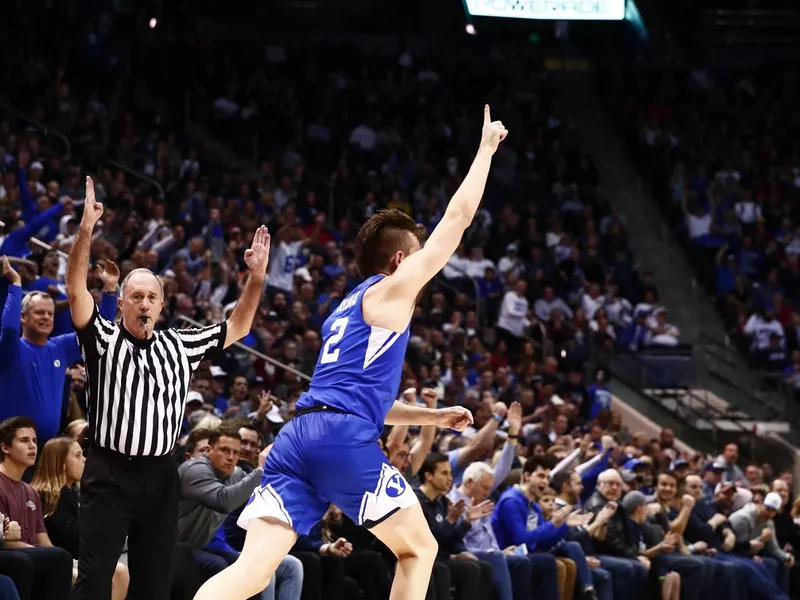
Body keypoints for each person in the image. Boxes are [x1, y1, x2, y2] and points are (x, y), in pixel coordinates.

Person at [195, 106, 508, 600]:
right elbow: (460, 218)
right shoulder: (391, 291)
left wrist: (431, 416)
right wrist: (486, 148)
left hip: (299, 437)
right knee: (419, 550)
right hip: (339, 438)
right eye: (420, 252)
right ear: (402, 260)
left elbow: (366, 399)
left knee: (251, 573)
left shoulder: (346, 308)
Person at [65, 176, 273, 600]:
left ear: (162, 305)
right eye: (135, 296)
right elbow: (74, 290)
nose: (143, 303)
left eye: (151, 297)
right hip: (109, 471)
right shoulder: (101, 338)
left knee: (154, 584)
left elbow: (239, 326)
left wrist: (255, 278)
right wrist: (86, 230)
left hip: (162, 474)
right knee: (95, 577)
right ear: (121, 302)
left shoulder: (180, 342)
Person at [0, 257, 118, 446]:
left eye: (50, 313)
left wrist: (110, 290)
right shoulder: (11, 348)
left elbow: (98, 331)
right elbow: (10, 329)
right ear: (22, 317)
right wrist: (15, 284)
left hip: (47, 449)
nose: (46, 317)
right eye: (39, 312)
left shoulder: (59, 347)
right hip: (9, 446)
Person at [29, 437, 130, 600]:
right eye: (77, 456)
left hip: (81, 555)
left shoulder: (73, 492)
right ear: (61, 463)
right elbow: (73, 539)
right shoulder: (52, 494)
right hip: (64, 557)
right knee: (119, 571)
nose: (85, 460)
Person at [0, 417, 73, 600]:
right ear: (5, 448)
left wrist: (72, 564)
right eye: (24, 441)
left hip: (28, 552)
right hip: (9, 552)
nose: (33, 446)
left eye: (34, 441)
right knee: (30, 561)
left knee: (62, 558)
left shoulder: (31, 491)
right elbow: (5, 541)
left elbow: (43, 539)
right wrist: (46, 553)